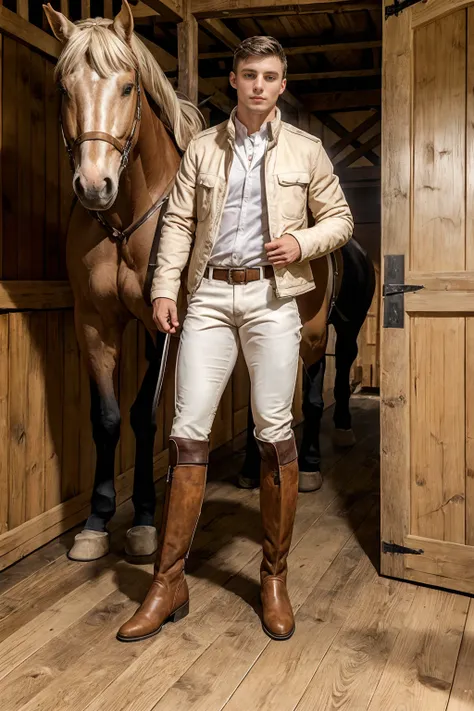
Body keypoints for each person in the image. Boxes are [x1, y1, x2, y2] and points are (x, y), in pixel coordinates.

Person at [117, 36, 353, 643]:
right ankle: (168, 582)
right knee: (188, 431)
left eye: (270, 76)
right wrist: (165, 289)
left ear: (281, 84)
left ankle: (273, 578)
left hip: (275, 298)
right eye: (249, 74)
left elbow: (341, 220)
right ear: (234, 80)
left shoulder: (306, 150)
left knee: (274, 433)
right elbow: (178, 221)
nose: (258, 85)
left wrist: (303, 244)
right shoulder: (202, 148)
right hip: (210, 297)